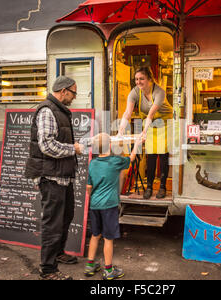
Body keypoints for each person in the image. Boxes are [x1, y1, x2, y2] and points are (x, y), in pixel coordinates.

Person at [25, 76, 84, 280]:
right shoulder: (47, 110)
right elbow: (46, 145)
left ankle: (58, 253)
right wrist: (73, 149)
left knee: (66, 216)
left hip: (62, 175)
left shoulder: (59, 110)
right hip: (51, 177)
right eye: (73, 93)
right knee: (53, 223)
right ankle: (48, 269)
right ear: (64, 91)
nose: (74, 98)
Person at [84, 133, 143, 280]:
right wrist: (137, 143)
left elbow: (89, 186)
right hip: (109, 205)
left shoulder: (92, 163)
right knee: (108, 238)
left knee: (95, 234)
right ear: (110, 146)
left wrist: (94, 198)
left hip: (95, 204)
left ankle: (90, 266)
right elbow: (132, 158)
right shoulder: (116, 161)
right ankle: (109, 271)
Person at [118, 67, 173, 199]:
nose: (138, 82)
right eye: (136, 79)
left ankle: (162, 187)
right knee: (151, 155)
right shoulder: (135, 92)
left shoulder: (159, 92)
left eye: (141, 79)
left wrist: (144, 131)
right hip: (149, 124)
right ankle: (149, 187)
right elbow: (127, 113)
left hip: (164, 123)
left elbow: (150, 114)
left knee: (163, 155)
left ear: (149, 79)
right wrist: (121, 130)